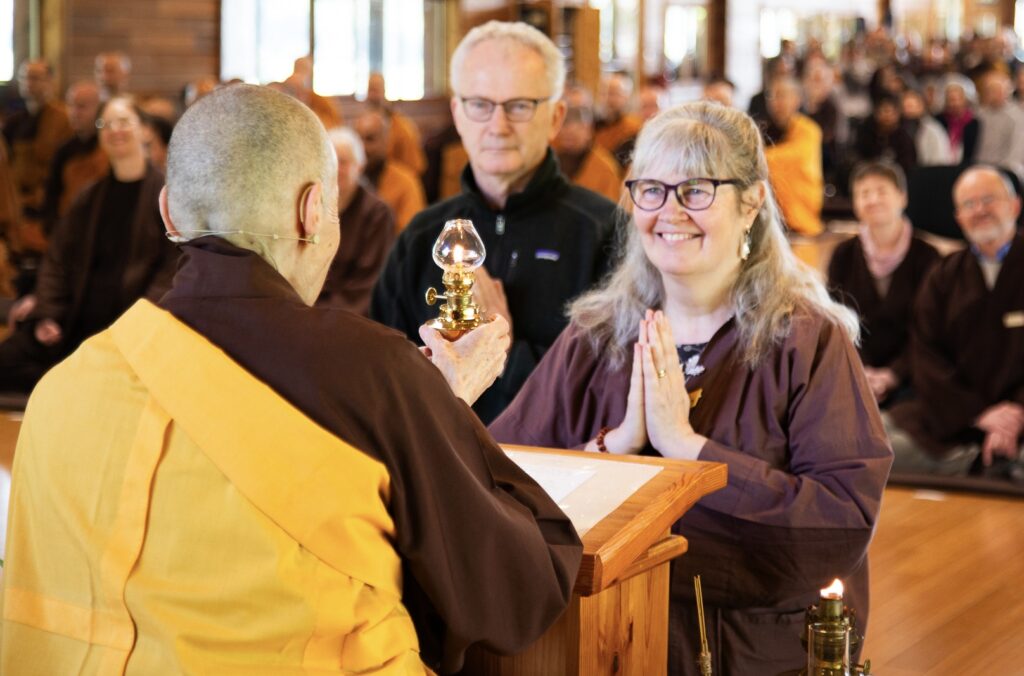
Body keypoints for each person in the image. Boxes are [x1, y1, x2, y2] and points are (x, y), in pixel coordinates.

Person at [0, 84, 582, 674]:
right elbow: (517, 592)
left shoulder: (62, 388)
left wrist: (425, 402)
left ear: (169, 212)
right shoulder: (374, 374)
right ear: (311, 211)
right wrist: (440, 404)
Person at [490, 102, 892, 675]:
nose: (669, 212)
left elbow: (840, 523)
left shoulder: (806, 339)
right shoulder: (595, 335)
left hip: (754, 653)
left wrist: (688, 449)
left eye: (696, 190)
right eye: (651, 190)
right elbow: (501, 486)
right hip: (604, 643)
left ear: (751, 202)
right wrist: (614, 447)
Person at [371, 20, 618, 424]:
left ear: (555, 117)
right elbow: (382, 377)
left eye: (519, 106)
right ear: (458, 113)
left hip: (554, 458)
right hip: (438, 453)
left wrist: (505, 352)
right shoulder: (422, 236)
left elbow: (608, 393)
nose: (498, 126)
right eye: (480, 105)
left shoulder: (604, 232)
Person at [0, 95, 177, 392]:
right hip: (75, 318)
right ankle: (77, 384)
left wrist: (136, 326)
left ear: (145, 130)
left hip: (129, 327)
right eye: (106, 124)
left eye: (124, 121)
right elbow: (58, 259)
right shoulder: (89, 196)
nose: (114, 130)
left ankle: (75, 384)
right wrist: (47, 312)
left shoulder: (165, 197)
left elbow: (172, 269)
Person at [887, 165, 1024, 478]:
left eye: (988, 200)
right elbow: (925, 353)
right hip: (956, 414)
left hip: (1019, 415)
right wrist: (978, 413)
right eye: (969, 204)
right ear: (959, 218)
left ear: (1015, 205)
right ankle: (983, 464)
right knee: (871, 443)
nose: (980, 211)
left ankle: (984, 464)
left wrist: (1016, 412)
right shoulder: (943, 275)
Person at [828, 161, 940, 406]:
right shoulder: (843, 255)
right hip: (854, 370)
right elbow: (837, 322)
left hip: (915, 375)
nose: (873, 200)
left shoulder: (928, 257)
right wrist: (863, 370)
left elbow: (930, 329)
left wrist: (894, 375)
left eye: (881, 191)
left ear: (902, 197)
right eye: (864, 193)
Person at [317, 126, 395, 315]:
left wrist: (323, 317)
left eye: (343, 162)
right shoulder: (313, 206)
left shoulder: (377, 214)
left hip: (351, 313)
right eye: (330, 161)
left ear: (359, 167)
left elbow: (369, 283)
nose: (336, 169)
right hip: (310, 307)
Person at [2, 60, 73, 227]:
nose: (28, 83)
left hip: (46, 200)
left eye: (34, 77)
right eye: (23, 77)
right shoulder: (13, 121)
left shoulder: (63, 119)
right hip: (16, 200)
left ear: (50, 81)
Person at [41, 81, 108, 236]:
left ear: (99, 110)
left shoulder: (108, 147)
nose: (74, 112)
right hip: (69, 227)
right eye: (71, 105)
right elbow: (52, 193)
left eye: (82, 106)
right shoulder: (63, 150)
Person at [762, 76, 825, 236]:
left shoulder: (809, 130)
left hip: (799, 207)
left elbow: (794, 157)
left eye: (782, 95)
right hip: (770, 206)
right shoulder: (764, 129)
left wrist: (759, 156)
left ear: (796, 100)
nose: (776, 102)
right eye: (771, 96)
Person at [354, 107, 426, 231]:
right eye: (358, 139)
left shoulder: (405, 182)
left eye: (370, 139)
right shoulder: (348, 178)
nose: (362, 147)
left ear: (386, 141)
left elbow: (411, 233)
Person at [553, 103, 622, 202]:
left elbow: (610, 207)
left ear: (589, 131)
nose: (568, 134)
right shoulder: (552, 158)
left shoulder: (605, 169)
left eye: (573, 135)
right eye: (565, 135)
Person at [365, 71, 427, 175]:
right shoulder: (363, 124)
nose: (372, 95)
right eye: (370, 90)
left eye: (376, 90)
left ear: (384, 91)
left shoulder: (403, 128)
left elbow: (414, 167)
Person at [974, 69, 1024, 181]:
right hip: (980, 167)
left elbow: (1016, 152)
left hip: (1006, 170)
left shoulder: (1017, 116)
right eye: (991, 90)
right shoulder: (979, 115)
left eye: (998, 90)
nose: (995, 94)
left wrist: (1003, 172)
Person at [937, 75, 979, 164]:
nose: (955, 103)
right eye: (951, 99)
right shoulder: (938, 121)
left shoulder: (974, 123)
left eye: (958, 98)